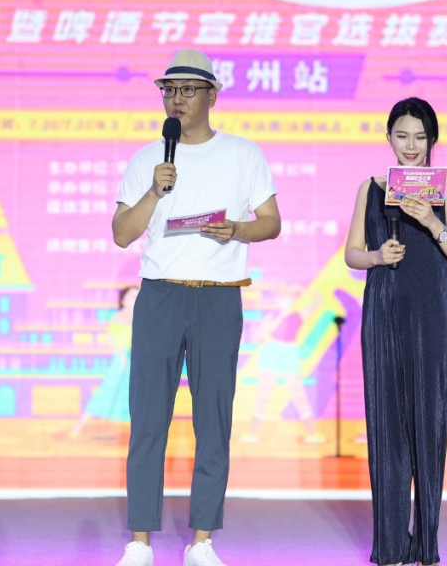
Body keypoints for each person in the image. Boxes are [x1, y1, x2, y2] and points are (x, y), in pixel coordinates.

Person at [111, 48, 281, 566]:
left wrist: (237, 229)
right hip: (160, 295)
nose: (176, 99)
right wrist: (154, 192)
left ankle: (201, 541)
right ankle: (140, 543)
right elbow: (122, 233)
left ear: (212, 96)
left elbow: (271, 222)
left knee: (213, 421)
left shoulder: (243, 154)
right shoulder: (147, 160)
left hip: (219, 296)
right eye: (169, 90)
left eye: (187, 90)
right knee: (148, 419)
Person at [344, 97, 447, 566]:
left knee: (429, 426)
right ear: (389, 138)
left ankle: (426, 545)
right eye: (402, 135)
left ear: (432, 140)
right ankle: (392, 545)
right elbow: (351, 253)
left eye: (420, 137)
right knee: (386, 428)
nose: (411, 145)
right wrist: (377, 257)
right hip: (384, 315)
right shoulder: (370, 188)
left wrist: (432, 222)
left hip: (432, 317)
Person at [241, 289, 325, 444]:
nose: (287, 300)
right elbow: (260, 335)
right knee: (263, 393)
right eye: (284, 298)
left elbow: (318, 301)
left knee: (298, 392)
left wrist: (304, 291)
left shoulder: (299, 315)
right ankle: (252, 432)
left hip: (289, 351)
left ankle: (312, 432)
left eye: (289, 298)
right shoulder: (272, 316)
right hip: (271, 350)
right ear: (278, 301)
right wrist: (281, 315)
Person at [70, 285, 137, 438]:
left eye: (138, 296)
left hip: (135, 359)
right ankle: (80, 426)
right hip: (122, 360)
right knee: (107, 392)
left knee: (133, 395)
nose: (136, 299)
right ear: (124, 299)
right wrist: (121, 356)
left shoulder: (142, 316)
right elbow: (111, 340)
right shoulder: (118, 317)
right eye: (132, 296)